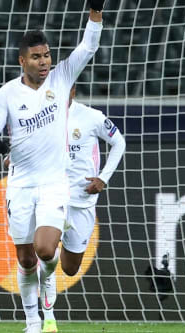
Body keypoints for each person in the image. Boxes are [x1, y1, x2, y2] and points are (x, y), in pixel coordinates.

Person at [0, 0, 106, 333]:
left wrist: (95, 12)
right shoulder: (7, 93)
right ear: (23, 61)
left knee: (46, 250)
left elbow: (88, 47)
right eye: (37, 57)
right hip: (20, 184)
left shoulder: (63, 77)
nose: (45, 61)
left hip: (53, 183)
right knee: (24, 258)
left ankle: (47, 289)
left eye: (47, 55)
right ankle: (32, 320)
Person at [40, 84, 125, 332]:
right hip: (51, 195)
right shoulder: (40, 118)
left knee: (70, 267)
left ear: (73, 91)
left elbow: (119, 143)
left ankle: (53, 258)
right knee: (45, 251)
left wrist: (104, 178)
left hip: (83, 201)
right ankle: (48, 319)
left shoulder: (92, 117)